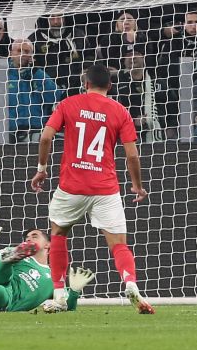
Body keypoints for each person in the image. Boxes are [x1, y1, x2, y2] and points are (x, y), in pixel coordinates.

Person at [30, 63, 152, 314]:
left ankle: (60, 293)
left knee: (59, 236)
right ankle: (130, 283)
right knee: (118, 244)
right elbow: (132, 156)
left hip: (72, 187)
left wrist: (42, 168)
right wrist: (137, 186)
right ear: (110, 86)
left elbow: (45, 137)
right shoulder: (121, 111)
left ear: (85, 84)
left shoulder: (68, 104)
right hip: (105, 188)